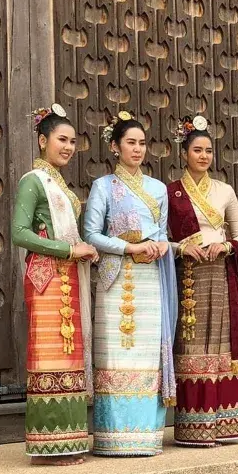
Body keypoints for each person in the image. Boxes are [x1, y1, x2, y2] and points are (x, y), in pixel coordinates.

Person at [83, 112, 177, 456]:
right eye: (130, 143)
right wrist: (129, 247)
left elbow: (163, 232)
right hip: (116, 277)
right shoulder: (103, 186)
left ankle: (145, 436)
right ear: (114, 147)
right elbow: (90, 235)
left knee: (146, 355)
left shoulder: (157, 188)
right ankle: (112, 438)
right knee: (116, 354)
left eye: (141, 143)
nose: (137, 149)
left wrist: (162, 245)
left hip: (151, 278)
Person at [11, 106, 99, 463]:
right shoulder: (33, 180)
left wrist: (82, 251)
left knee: (69, 357)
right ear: (43, 140)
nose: (68, 147)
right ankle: (47, 447)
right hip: (47, 278)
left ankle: (69, 441)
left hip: (67, 276)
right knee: (49, 357)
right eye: (62, 139)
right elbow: (19, 232)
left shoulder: (59, 184)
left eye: (73, 141)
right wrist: (67, 248)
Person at [166, 116, 238, 446]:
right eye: (197, 150)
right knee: (190, 342)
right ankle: (192, 426)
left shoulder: (225, 191)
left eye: (208, 151)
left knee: (221, 344)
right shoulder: (170, 192)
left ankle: (224, 424)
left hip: (220, 272)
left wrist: (226, 245)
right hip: (189, 275)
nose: (203, 156)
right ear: (184, 153)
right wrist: (182, 247)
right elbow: (163, 238)